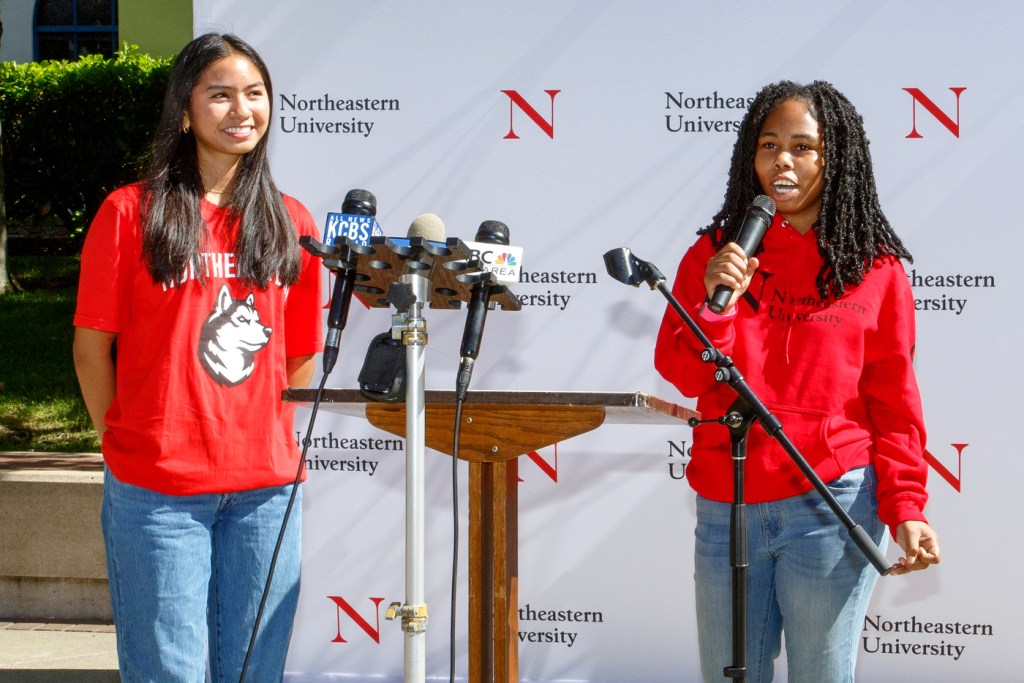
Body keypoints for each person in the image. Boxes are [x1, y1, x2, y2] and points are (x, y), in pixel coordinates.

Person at [654, 80, 940, 682]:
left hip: (832, 502)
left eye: (803, 147)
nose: (782, 159)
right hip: (727, 503)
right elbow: (681, 372)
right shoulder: (714, 256)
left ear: (834, 159)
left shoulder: (877, 271)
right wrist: (716, 306)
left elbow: (894, 404)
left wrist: (907, 504)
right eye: (768, 144)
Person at [72, 33, 323, 681]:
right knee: (170, 673)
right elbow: (91, 349)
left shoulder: (291, 220)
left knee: (252, 670)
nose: (242, 110)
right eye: (221, 94)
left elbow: (299, 355)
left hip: (266, 493)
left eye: (256, 94)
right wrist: (124, 440)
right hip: (157, 493)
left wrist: (262, 436)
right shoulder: (130, 213)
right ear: (184, 110)